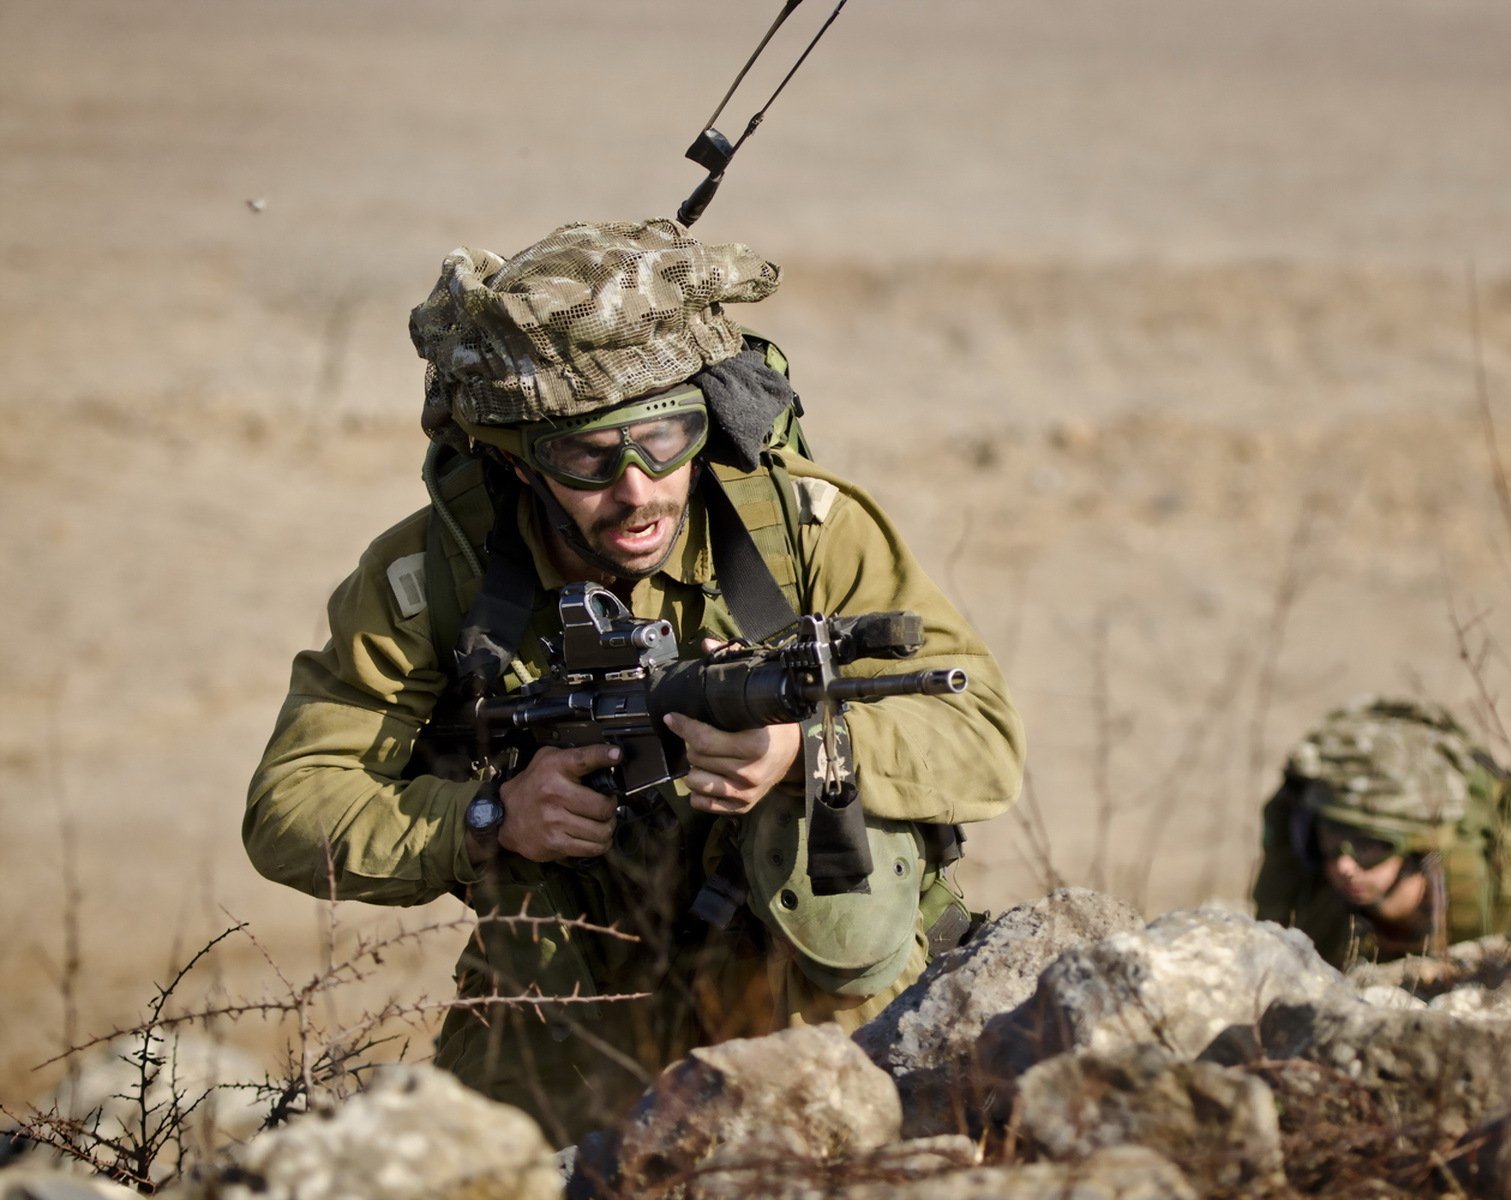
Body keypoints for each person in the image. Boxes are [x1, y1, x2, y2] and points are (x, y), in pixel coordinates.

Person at [244, 219, 1025, 1144]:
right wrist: (488, 820)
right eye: (589, 459)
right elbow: (290, 806)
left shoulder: (805, 534)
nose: (639, 489)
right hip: (570, 1026)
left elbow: (981, 734)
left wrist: (806, 749)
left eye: (668, 438)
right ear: (515, 459)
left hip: (819, 1017)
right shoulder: (434, 580)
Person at [1252, 697, 1511, 967]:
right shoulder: (1322, 917)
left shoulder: (1502, 891)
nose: (1345, 865)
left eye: (1368, 847)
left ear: (1412, 846)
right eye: (1330, 844)